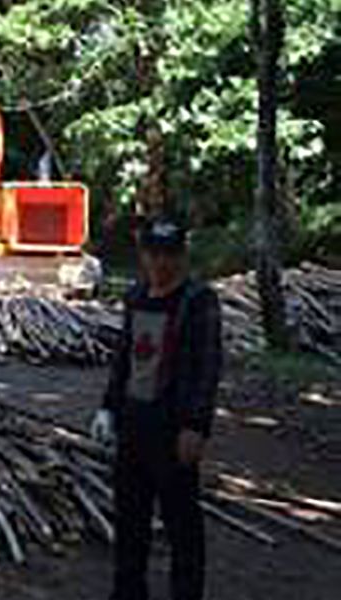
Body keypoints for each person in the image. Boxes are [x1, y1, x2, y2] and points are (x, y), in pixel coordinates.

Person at [90, 215, 223, 600]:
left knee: (182, 525)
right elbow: (125, 358)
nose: (161, 263)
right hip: (134, 421)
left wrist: (196, 425)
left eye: (169, 255)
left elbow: (207, 366)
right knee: (130, 521)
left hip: (173, 427)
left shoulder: (198, 301)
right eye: (154, 254)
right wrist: (107, 408)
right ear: (143, 254)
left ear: (182, 255)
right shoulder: (136, 296)